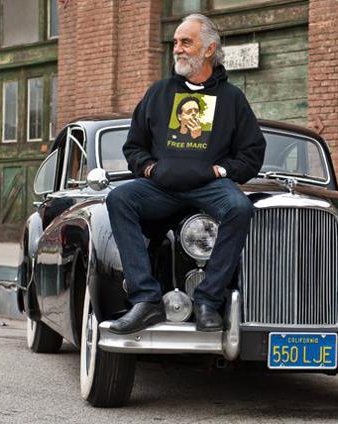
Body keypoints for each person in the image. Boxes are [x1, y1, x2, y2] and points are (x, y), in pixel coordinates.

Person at [106, 13, 266, 334]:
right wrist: (150, 167)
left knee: (239, 207)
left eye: (186, 42)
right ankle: (146, 300)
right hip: (161, 188)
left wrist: (222, 169)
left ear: (209, 50)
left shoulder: (232, 98)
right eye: (175, 42)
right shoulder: (158, 92)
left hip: (209, 187)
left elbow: (252, 153)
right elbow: (134, 146)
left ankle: (208, 301)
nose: (177, 48)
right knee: (119, 198)